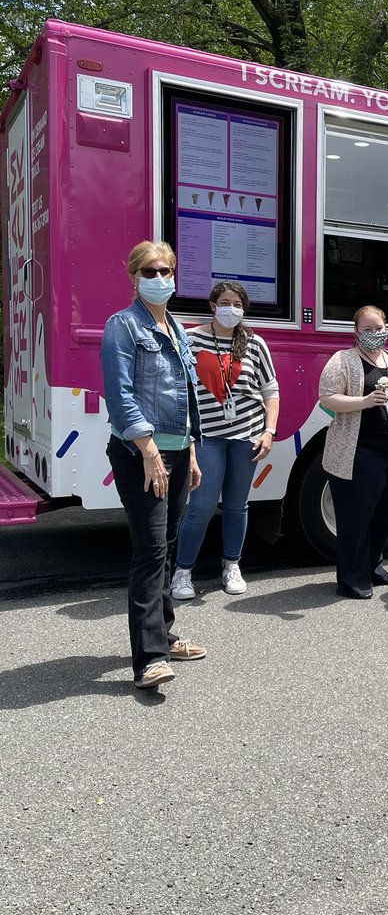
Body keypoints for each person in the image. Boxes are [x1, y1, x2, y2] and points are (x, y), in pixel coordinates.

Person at [100, 241, 207, 690]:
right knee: (150, 549)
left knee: (167, 541)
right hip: (142, 455)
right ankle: (150, 657)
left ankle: (164, 631)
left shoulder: (176, 328)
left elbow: (187, 397)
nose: (161, 277)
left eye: (166, 269)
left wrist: (192, 454)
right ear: (133, 277)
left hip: (179, 452)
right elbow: (120, 394)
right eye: (151, 270)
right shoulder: (122, 326)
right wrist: (148, 451)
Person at [171, 281, 279, 600]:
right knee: (201, 506)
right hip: (207, 437)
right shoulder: (191, 339)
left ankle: (231, 565)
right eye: (225, 302)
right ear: (212, 305)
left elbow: (270, 392)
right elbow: (181, 389)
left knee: (236, 505)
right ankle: (182, 571)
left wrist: (269, 431)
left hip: (246, 436)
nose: (231, 308)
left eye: (237, 303)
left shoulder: (254, 344)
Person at [318, 306, 388, 599]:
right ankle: (351, 578)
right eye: (367, 330)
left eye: (379, 327)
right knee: (355, 518)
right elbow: (327, 397)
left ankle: (374, 568)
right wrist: (365, 401)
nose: (374, 334)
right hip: (358, 454)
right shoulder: (343, 360)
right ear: (356, 332)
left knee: (385, 515)